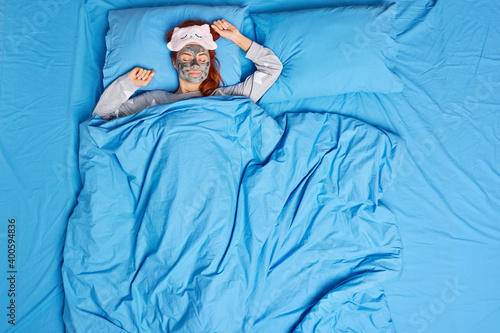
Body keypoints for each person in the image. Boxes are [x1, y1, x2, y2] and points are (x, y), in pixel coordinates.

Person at [92, 19, 283, 120]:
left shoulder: (228, 97)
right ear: (175, 63)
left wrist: (236, 38)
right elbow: (102, 117)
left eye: (202, 58)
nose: (194, 64)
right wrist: (128, 84)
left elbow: (272, 68)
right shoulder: (153, 101)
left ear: (209, 64)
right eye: (186, 57)